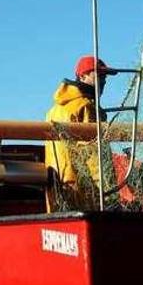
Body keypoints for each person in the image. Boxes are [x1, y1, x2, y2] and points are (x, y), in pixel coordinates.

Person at [45, 54, 117, 211]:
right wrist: (108, 196)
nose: (104, 81)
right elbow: (94, 155)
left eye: (105, 77)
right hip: (84, 193)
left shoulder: (54, 110)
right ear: (83, 76)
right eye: (99, 75)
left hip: (58, 188)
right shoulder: (86, 107)